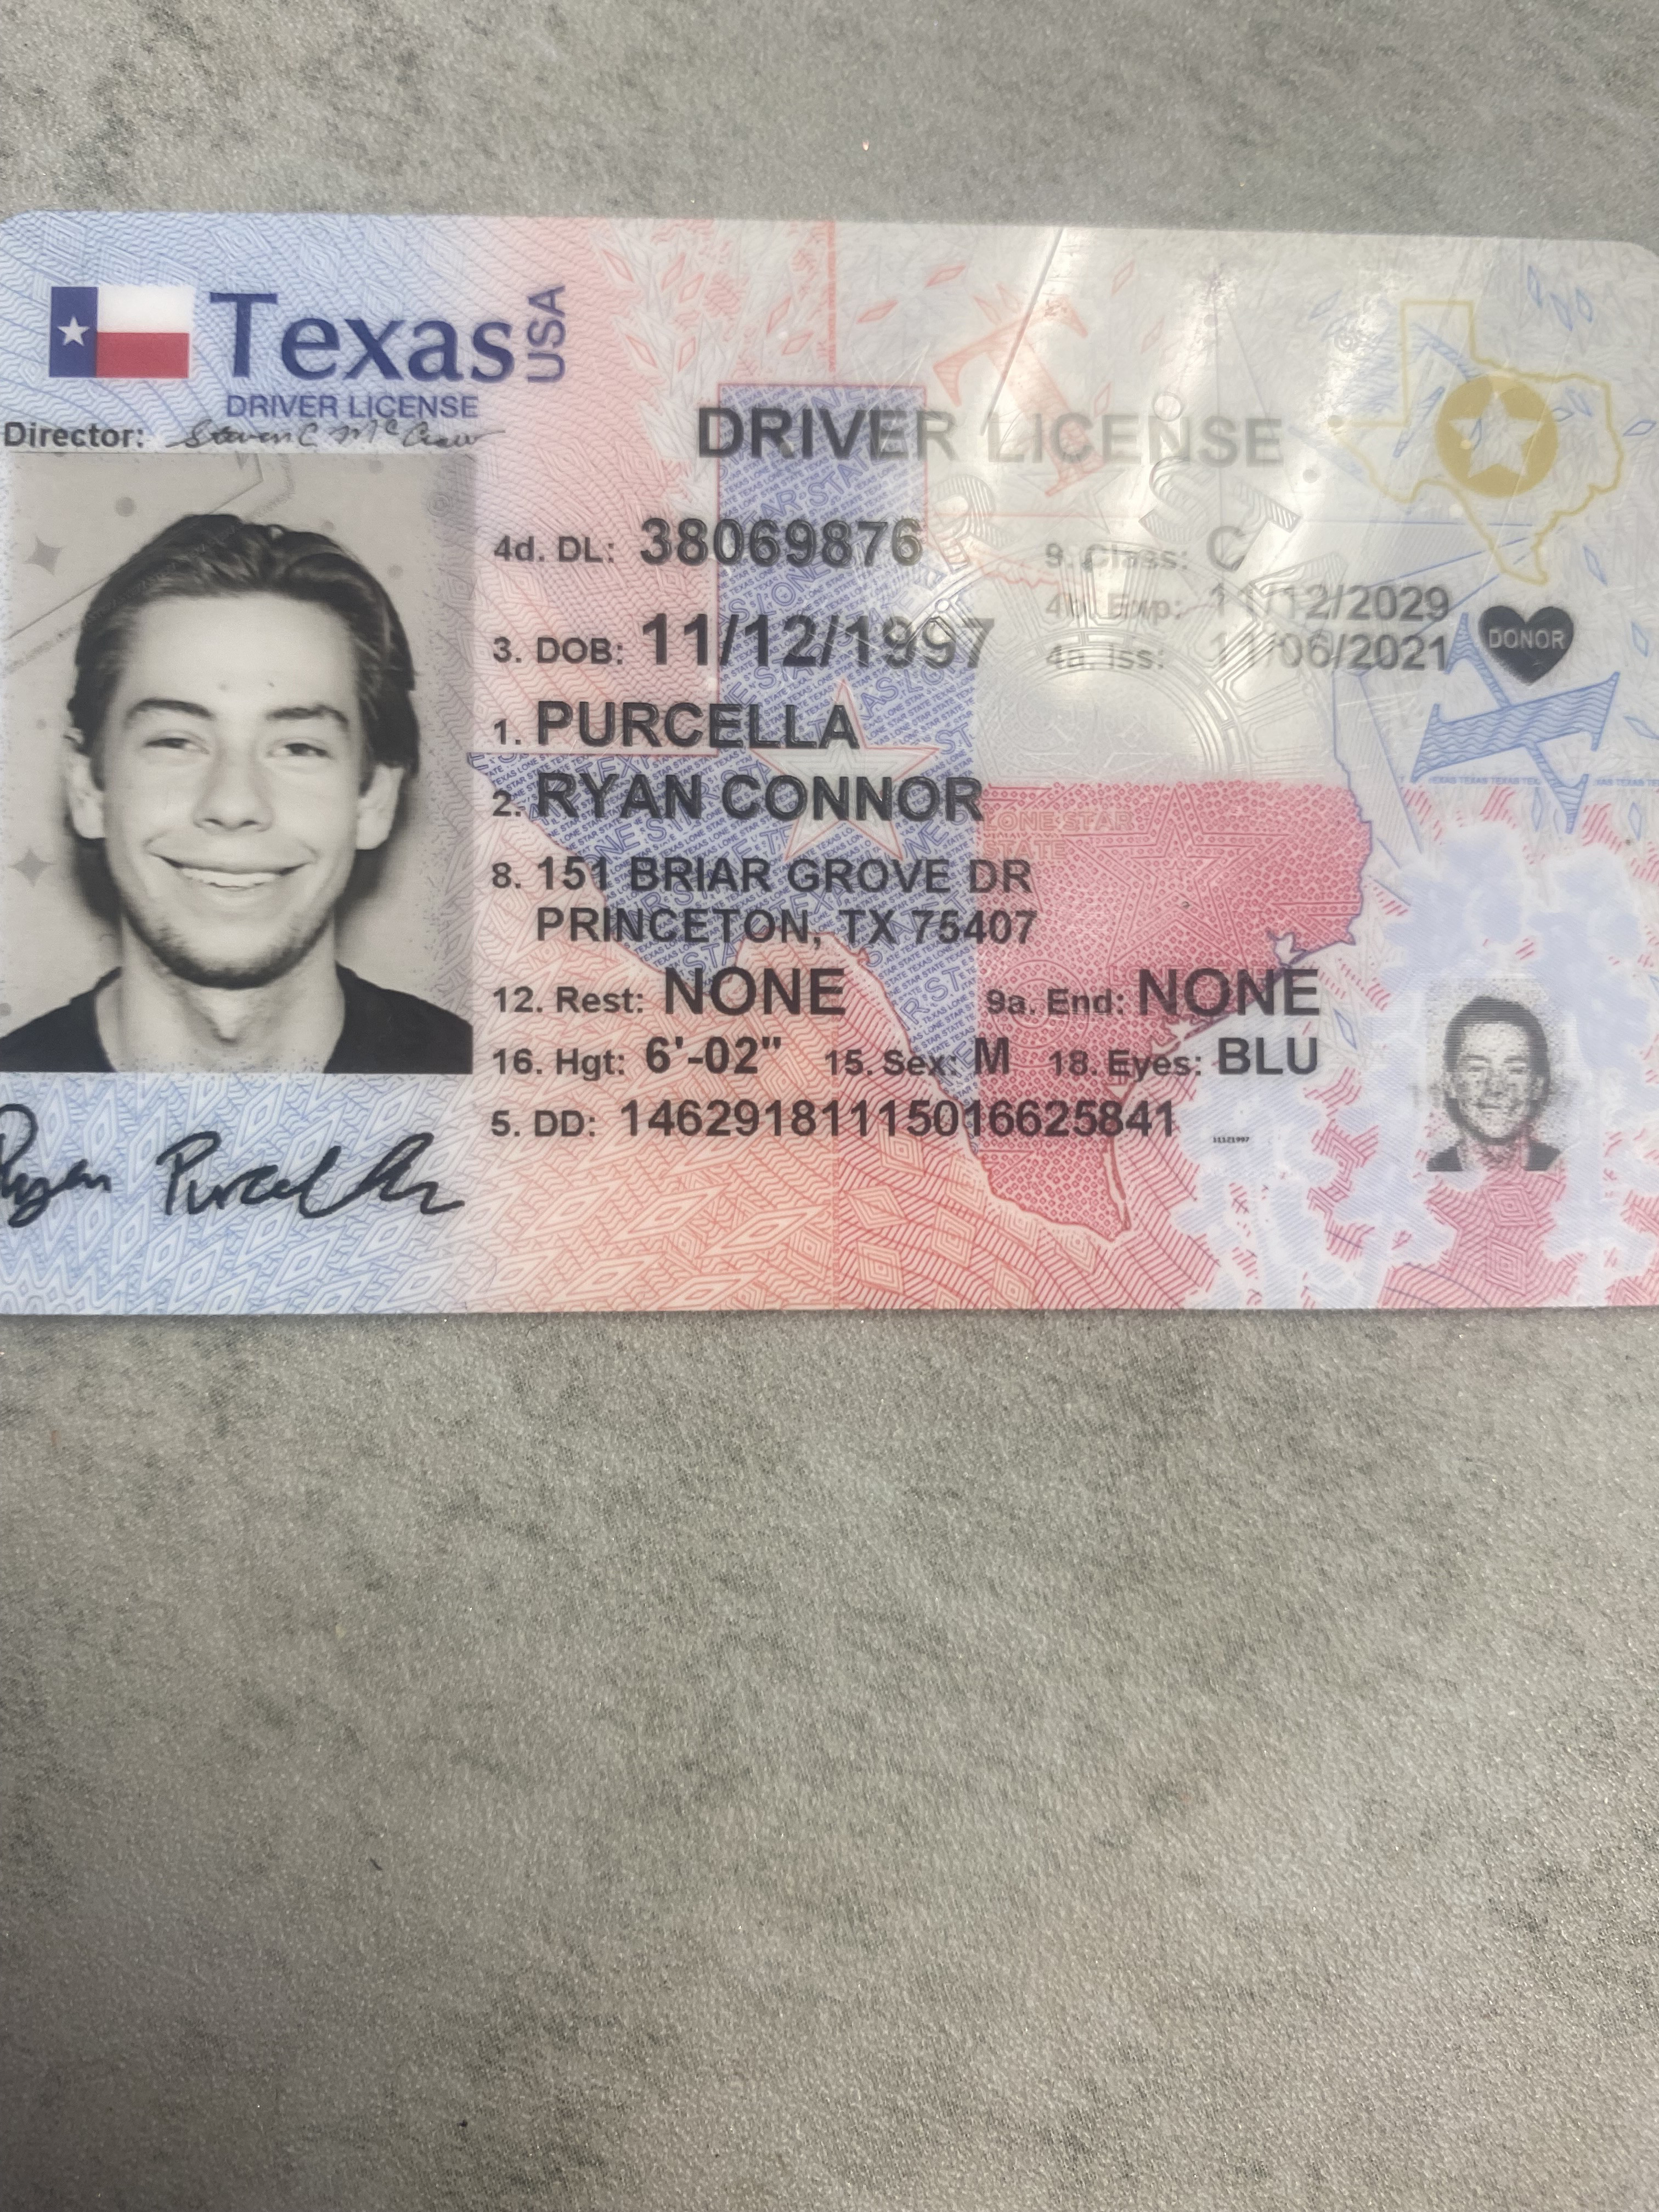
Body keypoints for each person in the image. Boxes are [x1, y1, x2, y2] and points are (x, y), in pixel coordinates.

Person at [0, 513, 470, 1074]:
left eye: (298, 748)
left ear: (375, 801)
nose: (233, 804)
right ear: (87, 788)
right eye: (176, 742)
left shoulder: (501, 1091)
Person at [1427, 995, 1558, 1172]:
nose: (1496, 1087)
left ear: (1537, 1086)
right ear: (1451, 1083)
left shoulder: (1564, 1167)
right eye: (1477, 1068)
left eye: (1515, 1070)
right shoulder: (1430, 1170)